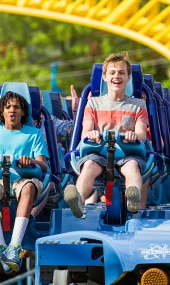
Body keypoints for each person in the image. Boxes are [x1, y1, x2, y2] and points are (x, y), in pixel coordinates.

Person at [63, 51, 149, 218]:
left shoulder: (138, 105)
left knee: (131, 168)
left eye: (122, 73)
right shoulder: (93, 103)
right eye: (112, 72)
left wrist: (134, 136)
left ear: (128, 78)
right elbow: (85, 131)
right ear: (104, 77)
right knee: (89, 167)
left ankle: (133, 197)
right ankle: (78, 200)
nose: (117, 76)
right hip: (99, 151)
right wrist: (92, 133)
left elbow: (141, 134)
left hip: (127, 151)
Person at [0, 91, 50, 273]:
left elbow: (43, 165)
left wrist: (30, 161)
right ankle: (1, 248)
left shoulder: (33, 134)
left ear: (23, 112)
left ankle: (15, 246)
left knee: (29, 187)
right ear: (2, 112)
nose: (12, 110)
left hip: (23, 179)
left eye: (16, 107)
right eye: (8, 107)